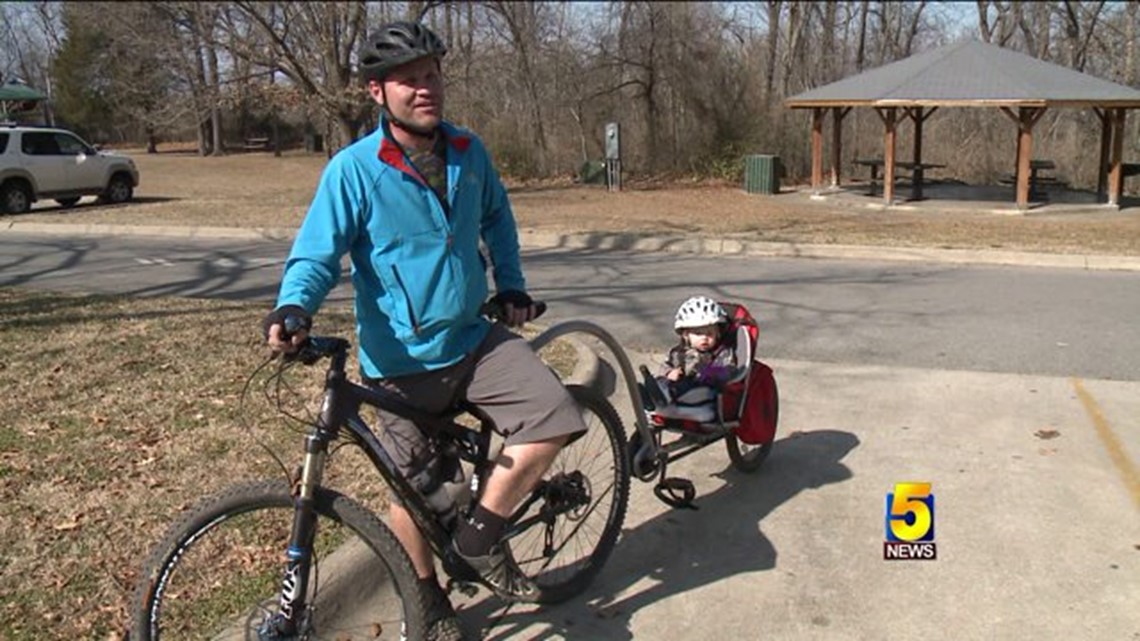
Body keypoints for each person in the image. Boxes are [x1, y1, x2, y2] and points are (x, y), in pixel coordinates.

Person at [262, 21, 586, 641]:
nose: (426, 89)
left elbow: (499, 219)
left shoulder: (469, 150)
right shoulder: (353, 171)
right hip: (400, 362)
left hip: (473, 340)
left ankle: (479, 539)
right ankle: (431, 598)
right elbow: (315, 255)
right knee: (409, 490)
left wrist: (510, 284)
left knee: (554, 414)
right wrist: (292, 307)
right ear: (377, 93)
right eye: (409, 80)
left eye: (432, 75)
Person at [657, 296, 741, 403]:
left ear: (718, 334)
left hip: (707, 394)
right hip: (679, 387)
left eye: (710, 333)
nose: (704, 338)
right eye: (698, 333)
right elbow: (665, 365)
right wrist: (669, 373)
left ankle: (665, 396)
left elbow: (730, 371)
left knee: (689, 387)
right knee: (661, 382)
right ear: (686, 335)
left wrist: (707, 373)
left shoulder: (722, 353)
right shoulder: (678, 353)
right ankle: (653, 394)